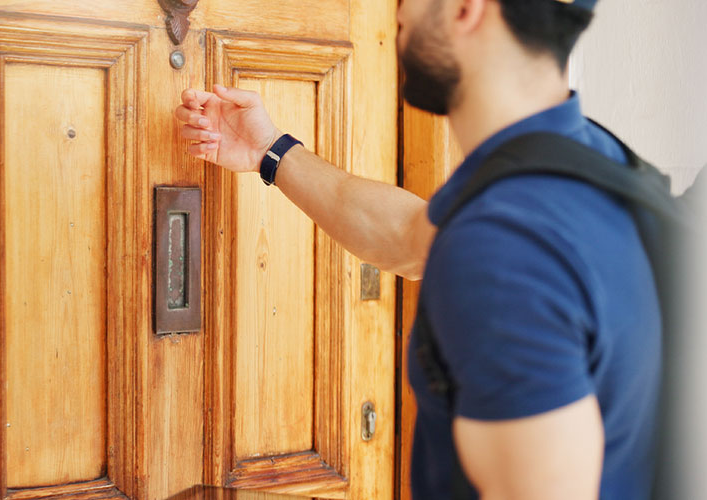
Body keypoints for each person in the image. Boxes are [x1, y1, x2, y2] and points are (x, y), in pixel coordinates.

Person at [174, 0, 659, 498]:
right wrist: (269, 150)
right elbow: (409, 236)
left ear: (467, 8)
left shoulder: (504, 249)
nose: (398, 11)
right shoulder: (594, 163)